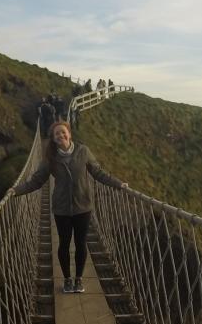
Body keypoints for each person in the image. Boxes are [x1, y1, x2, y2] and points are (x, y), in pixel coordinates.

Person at [12, 121, 126, 293]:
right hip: (62, 209)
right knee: (64, 244)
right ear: (53, 138)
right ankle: (67, 279)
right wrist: (16, 191)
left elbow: (98, 172)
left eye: (63, 132)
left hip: (83, 207)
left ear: (69, 134)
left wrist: (118, 184)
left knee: (81, 243)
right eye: (57, 134)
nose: (61, 136)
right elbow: (36, 181)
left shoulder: (83, 151)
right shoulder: (50, 158)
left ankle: (78, 279)